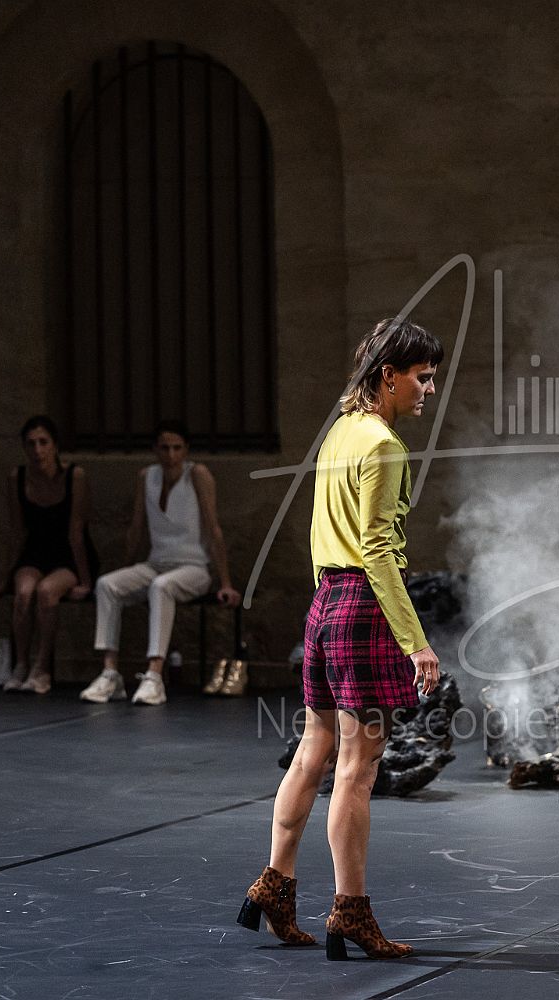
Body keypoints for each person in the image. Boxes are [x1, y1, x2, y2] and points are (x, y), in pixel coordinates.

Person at [236, 317, 442, 959]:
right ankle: (349, 912)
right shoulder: (382, 444)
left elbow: (320, 532)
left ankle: (274, 885)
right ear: (389, 376)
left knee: (315, 748)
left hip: (325, 602)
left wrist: (331, 604)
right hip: (363, 608)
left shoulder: (339, 432)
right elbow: (378, 550)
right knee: (358, 768)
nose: (429, 390)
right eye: (422, 377)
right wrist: (416, 643)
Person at [78, 421, 240, 706]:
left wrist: (225, 582)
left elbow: (213, 527)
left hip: (193, 568)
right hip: (156, 563)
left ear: (186, 450)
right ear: (155, 449)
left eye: (177, 448)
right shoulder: (147, 476)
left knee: (160, 586)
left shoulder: (197, 474)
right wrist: (127, 567)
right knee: (106, 585)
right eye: (164, 448)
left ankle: (154, 675)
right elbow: (136, 528)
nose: (171, 454)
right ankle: (110, 672)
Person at [0, 416, 97, 693]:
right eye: (31, 444)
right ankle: (21, 664)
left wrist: (86, 580)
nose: (38, 450)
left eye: (43, 442)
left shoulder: (74, 476)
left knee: (46, 591)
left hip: (66, 554)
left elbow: (76, 531)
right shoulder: (18, 477)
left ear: (55, 445)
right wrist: (5, 578)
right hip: (35, 551)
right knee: (23, 593)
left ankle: (42, 667)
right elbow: (17, 531)